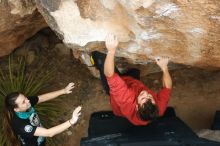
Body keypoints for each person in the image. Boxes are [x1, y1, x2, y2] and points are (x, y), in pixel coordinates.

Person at [91, 34, 172, 125]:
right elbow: (167, 88)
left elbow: (110, 75)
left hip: (118, 92)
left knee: (100, 57)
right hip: (132, 83)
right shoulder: (158, 109)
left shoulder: (126, 99)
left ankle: (93, 59)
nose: (146, 93)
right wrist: (164, 67)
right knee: (135, 71)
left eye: (143, 98)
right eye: (150, 97)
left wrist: (111, 51)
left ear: (137, 107)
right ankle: (128, 78)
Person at [3, 82, 82, 146]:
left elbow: (41, 98)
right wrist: (72, 120)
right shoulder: (21, 124)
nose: (28, 101)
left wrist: (64, 91)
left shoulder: (26, 103)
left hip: (40, 138)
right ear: (16, 109)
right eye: (23, 102)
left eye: (25, 98)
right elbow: (49, 133)